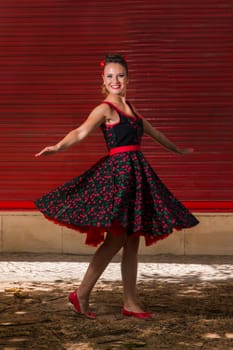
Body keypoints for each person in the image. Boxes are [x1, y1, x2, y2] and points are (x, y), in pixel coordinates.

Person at [35, 53, 199, 320]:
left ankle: (130, 302)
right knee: (118, 238)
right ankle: (82, 293)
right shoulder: (105, 109)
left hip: (137, 177)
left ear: (127, 79)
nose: (115, 80)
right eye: (110, 76)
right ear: (103, 79)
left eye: (120, 75)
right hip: (119, 179)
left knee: (132, 241)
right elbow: (80, 132)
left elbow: (155, 133)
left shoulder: (132, 110)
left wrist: (178, 149)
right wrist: (57, 146)